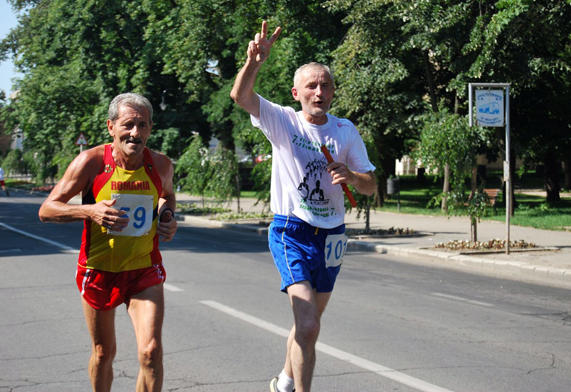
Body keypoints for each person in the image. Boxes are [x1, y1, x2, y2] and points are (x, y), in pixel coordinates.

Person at [230, 21, 377, 392]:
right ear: (297, 92)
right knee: (309, 324)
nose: (319, 91)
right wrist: (255, 62)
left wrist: (353, 177)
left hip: (332, 236)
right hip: (291, 230)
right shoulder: (284, 122)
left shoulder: (345, 130)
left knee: (307, 324)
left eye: (325, 85)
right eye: (311, 85)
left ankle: (284, 379)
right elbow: (241, 96)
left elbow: (371, 186)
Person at [39, 92, 177, 392]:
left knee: (150, 351)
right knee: (104, 353)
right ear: (111, 126)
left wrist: (167, 215)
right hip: (99, 268)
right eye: (128, 124)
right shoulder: (90, 162)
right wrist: (89, 211)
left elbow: (167, 194)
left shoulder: (161, 165)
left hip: (144, 269)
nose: (135, 133)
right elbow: (46, 209)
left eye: (142, 125)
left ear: (151, 129)